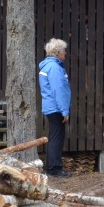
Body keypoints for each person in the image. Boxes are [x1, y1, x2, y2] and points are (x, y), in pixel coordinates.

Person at [38, 38, 71, 178]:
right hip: (56, 108)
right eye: (64, 50)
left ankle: (51, 167)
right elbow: (59, 91)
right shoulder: (55, 68)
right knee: (56, 138)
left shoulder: (48, 66)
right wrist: (65, 110)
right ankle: (54, 169)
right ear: (57, 52)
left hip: (52, 107)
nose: (65, 52)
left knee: (54, 137)